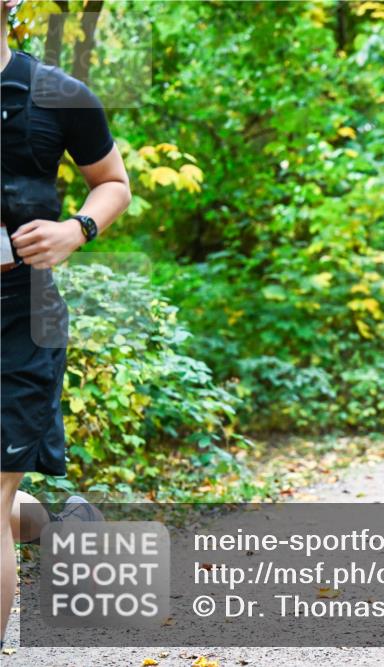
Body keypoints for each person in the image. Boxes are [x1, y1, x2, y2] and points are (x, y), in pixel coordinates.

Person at [1, 0, 131, 647]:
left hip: (21, 317)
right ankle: (60, 529)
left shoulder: (56, 94)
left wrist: (73, 230)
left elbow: (113, 182)